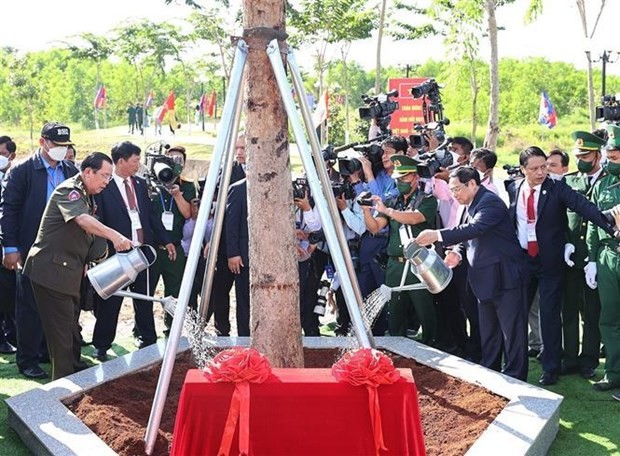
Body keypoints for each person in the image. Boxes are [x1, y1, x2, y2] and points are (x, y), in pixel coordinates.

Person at [507, 146, 619, 386]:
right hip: (524, 261)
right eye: (534, 168)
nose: (540, 172)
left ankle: (551, 367)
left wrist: (610, 223)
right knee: (517, 313)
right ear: (522, 169)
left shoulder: (557, 188)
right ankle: (515, 367)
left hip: (549, 262)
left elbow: (583, 207)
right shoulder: (513, 188)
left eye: (544, 167)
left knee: (549, 315)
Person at [23, 152, 133, 380]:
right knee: (62, 335)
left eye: (109, 177)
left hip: (68, 272)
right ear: (88, 172)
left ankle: (75, 372)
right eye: (103, 175)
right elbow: (82, 220)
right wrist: (114, 236)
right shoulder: (69, 191)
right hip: (51, 272)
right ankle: (62, 387)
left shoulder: (88, 194)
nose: (106, 182)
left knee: (71, 330)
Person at [415, 166, 529, 380]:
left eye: (457, 189)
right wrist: (457, 253)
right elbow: (466, 237)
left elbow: (475, 229)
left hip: (505, 278)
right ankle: (492, 372)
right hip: (484, 279)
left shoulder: (490, 202)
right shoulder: (468, 204)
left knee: (512, 332)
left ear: (473, 184)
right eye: (452, 190)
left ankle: (516, 376)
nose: (454, 194)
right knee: (489, 332)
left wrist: (437, 235)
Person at [1, 122, 79, 379]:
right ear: (42, 142)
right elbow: (9, 210)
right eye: (56, 145)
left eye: (64, 146)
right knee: (30, 306)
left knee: (58, 304)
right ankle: (28, 359)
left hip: (63, 250)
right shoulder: (23, 170)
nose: (60, 150)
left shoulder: (70, 170)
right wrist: (10, 247)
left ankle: (50, 351)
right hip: (31, 247)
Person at [91, 141, 174, 361]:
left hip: (143, 252)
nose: (139, 164)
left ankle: (148, 341)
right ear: (121, 161)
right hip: (117, 254)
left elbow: (150, 215)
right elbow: (97, 221)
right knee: (112, 301)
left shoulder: (139, 184)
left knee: (145, 299)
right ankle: (101, 344)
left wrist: (166, 240)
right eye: (135, 160)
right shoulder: (104, 186)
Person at [363, 154, 438, 343]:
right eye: (397, 178)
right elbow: (374, 227)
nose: (400, 182)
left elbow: (413, 218)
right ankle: (397, 351)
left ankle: (433, 351)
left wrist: (387, 211)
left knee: (425, 313)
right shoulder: (392, 202)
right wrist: (366, 209)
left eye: (404, 178)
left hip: (418, 265)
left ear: (415, 177)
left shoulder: (427, 200)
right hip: (394, 266)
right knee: (395, 314)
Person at [562, 131, 606, 380]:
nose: (581, 159)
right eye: (578, 155)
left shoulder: (608, 182)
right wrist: (565, 244)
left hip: (595, 258)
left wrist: (595, 257)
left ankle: (588, 358)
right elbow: (561, 219)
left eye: (586, 155)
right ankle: (569, 358)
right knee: (568, 309)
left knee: (592, 312)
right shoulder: (568, 182)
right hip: (571, 257)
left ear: (598, 155)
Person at [586, 124, 620, 392]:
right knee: (609, 318)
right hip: (608, 256)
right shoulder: (604, 183)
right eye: (608, 155)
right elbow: (593, 223)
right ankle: (613, 372)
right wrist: (592, 260)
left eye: (616, 155)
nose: (610, 160)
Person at [150, 145, 196, 335]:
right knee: (146, 291)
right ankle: (143, 331)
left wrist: (177, 195)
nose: (175, 163)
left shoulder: (187, 186)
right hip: (152, 247)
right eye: (171, 159)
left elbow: (188, 214)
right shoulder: (152, 185)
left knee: (175, 290)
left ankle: (172, 327)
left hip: (175, 248)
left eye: (179, 160)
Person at [0, 135, 17, 354]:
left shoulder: (14, 176)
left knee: (9, 292)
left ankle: (11, 334)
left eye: (3, 154)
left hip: (8, 244)